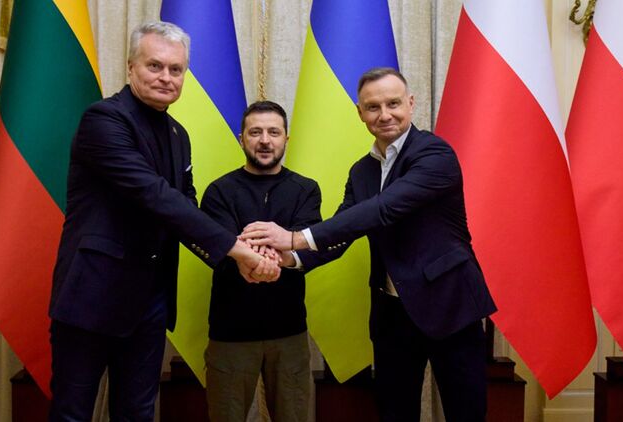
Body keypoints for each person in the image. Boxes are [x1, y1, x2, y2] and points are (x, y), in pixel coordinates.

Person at [48, 21, 279, 421]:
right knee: (72, 414)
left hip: (150, 301)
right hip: (92, 296)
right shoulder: (104, 119)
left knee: (138, 413)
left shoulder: (177, 134)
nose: (166, 77)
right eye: (154, 66)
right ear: (131, 67)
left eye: (176, 69)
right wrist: (238, 250)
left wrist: (236, 254)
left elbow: (185, 207)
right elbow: (155, 196)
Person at [241, 67, 497, 422]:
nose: (384, 114)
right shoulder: (362, 171)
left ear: (411, 103)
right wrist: (290, 258)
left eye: (393, 103)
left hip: (449, 303)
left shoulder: (435, 154)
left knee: (465, 412)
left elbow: (383, 209)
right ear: (360, 113)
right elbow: (342, 232)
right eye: (373, 107)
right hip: (392, 314)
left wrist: (295, 237)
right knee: (394, 412)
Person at [200, 101, 321, 422]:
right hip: (230, 332)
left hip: (289, 331)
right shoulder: (218, 191)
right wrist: (264, 255)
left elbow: (310, 247)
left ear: (286, 139)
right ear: (241, 139)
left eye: (273, 132)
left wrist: (275, 255)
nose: (265, 140)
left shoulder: (306, 190)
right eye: (255, 132)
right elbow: (218, 248)